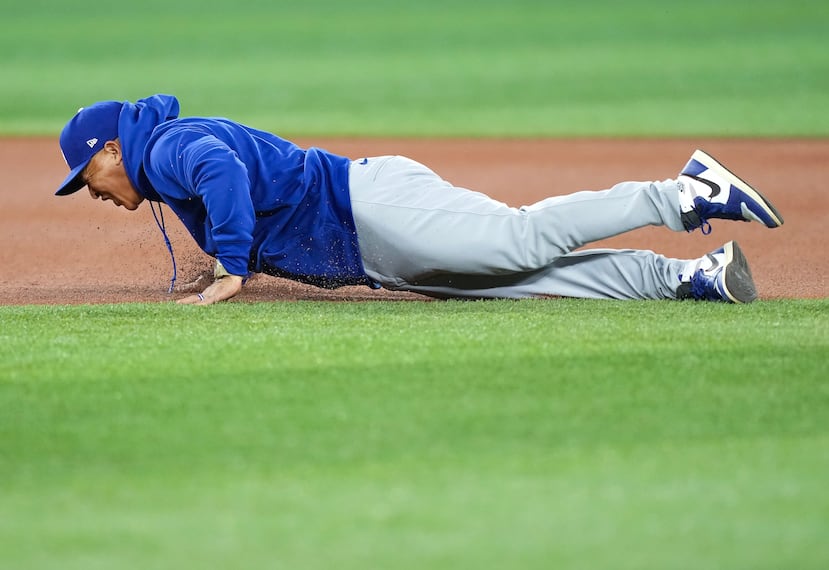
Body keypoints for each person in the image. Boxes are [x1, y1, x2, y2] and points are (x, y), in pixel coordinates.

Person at [54, 94, 784, 305]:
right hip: (375, 249)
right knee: (526, 282)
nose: (92, 193)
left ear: (110, 150)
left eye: (87, 177)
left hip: (368, 207)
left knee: (516, 241)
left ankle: (683, 193)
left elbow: (221, 172)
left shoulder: (171, 145)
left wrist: (231, 268)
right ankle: (690, 278)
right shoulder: (158, 162)